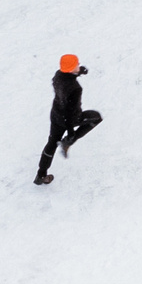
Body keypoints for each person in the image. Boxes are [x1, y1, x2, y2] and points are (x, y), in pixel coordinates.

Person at [34, 54, 103, 185]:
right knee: (97, 117)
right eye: (77, 65)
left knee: (52, 143)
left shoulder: (58, 75)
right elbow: (70, 112)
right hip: (71, 118)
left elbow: (67, 77)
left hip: (56, 115)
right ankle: (67, 142)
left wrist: (78, 72)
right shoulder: (75, 89)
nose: (79, 65)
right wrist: (71, 134)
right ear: (71, 69)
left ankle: (40, 175)